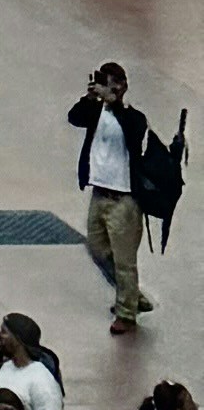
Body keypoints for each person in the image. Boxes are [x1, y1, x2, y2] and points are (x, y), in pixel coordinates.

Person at [74, 59, 158, 334]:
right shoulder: (95, 111)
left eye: (110, 83)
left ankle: (126, 312)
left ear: (121, 87)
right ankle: (132, 295)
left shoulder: (134, 117)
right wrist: (90, 98)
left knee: (124, 259)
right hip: (99, 192)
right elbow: (75, 117)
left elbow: (134, 133)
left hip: (124, 199)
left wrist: (116, 104)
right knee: (98, 249)